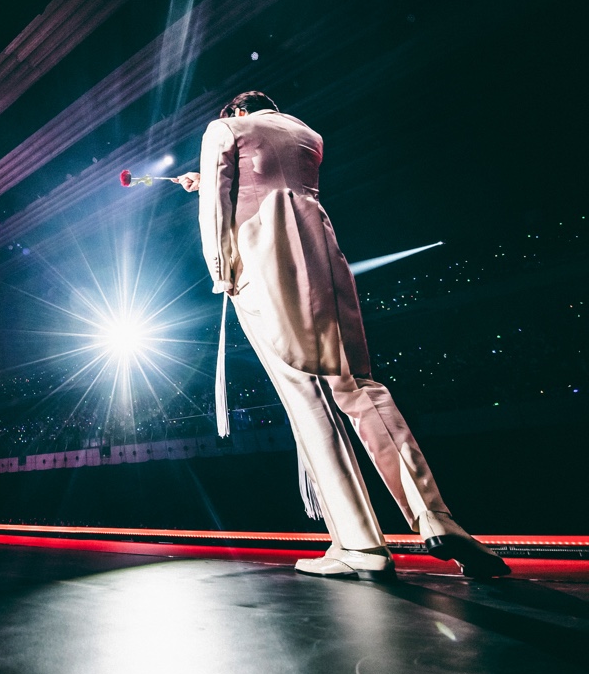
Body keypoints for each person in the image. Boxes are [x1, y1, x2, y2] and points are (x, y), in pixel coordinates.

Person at [177, 90, 508, 580]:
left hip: (263, 268)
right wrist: (206, 182)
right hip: (323, 261)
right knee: (358, 386)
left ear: (237, 112)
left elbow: (220, 211)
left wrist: (221, 271)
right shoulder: (308, 135)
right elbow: (274, 182)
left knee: (304, 398)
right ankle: (435, 516)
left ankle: (359, 543)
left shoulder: (223, 130)